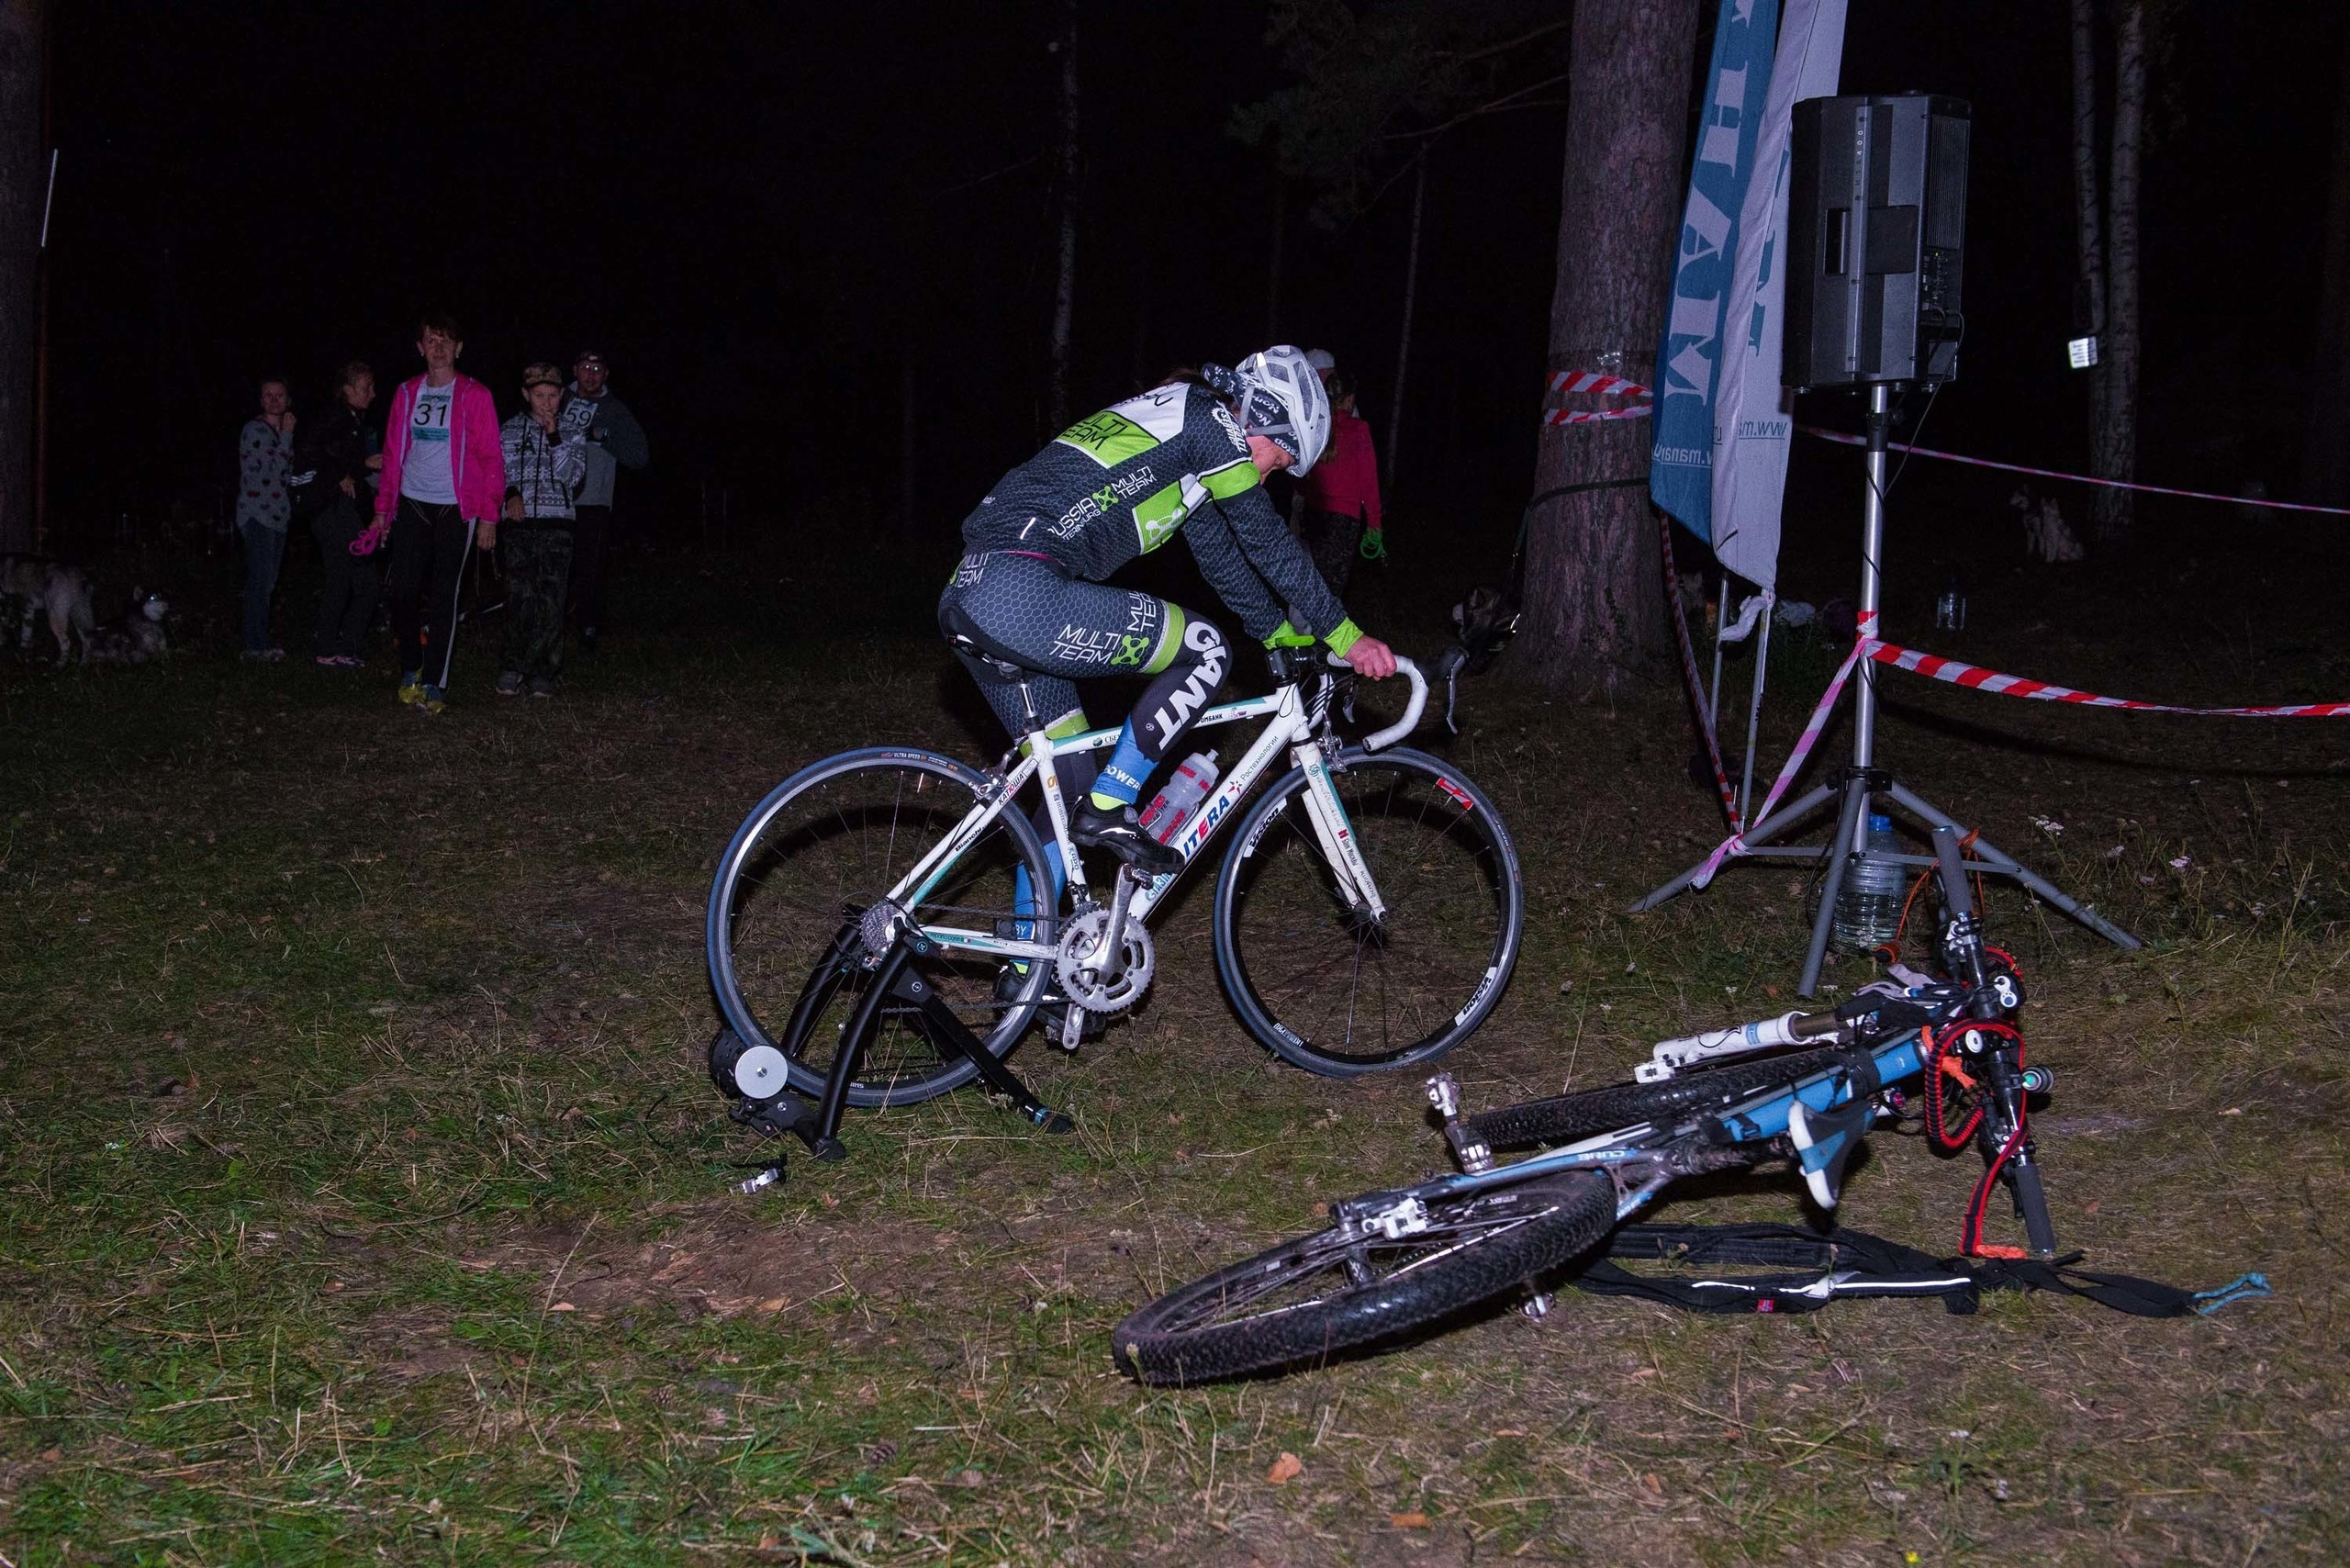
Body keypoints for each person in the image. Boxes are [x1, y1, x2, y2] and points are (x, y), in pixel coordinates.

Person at [937, 345, 1396, 879]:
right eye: (1280, 462)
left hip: (973, 592)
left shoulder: (1183, 438)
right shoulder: (1209, 422)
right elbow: (1267, 542)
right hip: (1021, 592)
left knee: (1066, 800)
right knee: (1205, 650)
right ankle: (1111, 809)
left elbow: (1223, 560)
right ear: (1266, 420)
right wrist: (1344, 634)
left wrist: (1278, 634)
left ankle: (1026, 961)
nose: (1269, 479)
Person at [363, 313, 505, 714]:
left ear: (458, 349)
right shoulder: (407, 393)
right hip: (412, 501)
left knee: (445, 595)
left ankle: (434, 682)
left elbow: (491, 457)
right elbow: (393, 455)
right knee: (402, 592)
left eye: (446, 340)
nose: (438, 346)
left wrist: (489, 515)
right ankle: (411, 666)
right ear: (420, 347)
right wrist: (382, 511)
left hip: (457, 508)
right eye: (430, 339)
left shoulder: (477, 395)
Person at [495, 364, 590, 697]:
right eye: (539, 396)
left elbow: (572, 477)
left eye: (552, 396)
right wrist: (510, 496)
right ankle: (512, 666)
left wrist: (554, 435)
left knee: (551, 600)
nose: (547, 402)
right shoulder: (508, 431)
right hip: (519, 527)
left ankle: (543, 672)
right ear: (526, 395)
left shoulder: (574, 432)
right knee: (519, 597)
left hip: (558, 526)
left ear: (562, 395)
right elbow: (498, 474)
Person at [294, 361, 385, 666]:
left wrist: (363, 466)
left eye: (372, 387)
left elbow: (344, 460)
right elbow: (305, 446)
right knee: (364, 581)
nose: (372, 394)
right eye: (366, 388)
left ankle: (332, 648)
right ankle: (342, 647)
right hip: (328, 508)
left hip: (335, 508)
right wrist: (338, 474)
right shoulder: (335, 415)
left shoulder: (354, 420)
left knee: (341, 579)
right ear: (348, 390)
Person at [563, 350, 649, 653]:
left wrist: (604, 437)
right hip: (555, 501)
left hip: (594, 500)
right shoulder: (556, 398)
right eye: (585, 366)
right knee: (555, 566)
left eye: (597, 368)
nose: (591, 373)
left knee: (591, 567)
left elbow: (640, 456)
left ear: (606, 374)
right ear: (575, 369)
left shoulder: (615, 409)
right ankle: (549, 626)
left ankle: (588, 630)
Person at [1298, 369, 1382, 594]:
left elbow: (1300, 471)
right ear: (1350, 399)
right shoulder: (1359, 429)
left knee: (1308, 583)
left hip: (1313, 515)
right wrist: (1374, 524)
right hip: (1343, 521)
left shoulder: (1315, 426)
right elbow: (1369, 479)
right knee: (1330, 591)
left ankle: (1300, 627)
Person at [235, 379, 297, 660]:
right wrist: (286, 435)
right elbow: (272, 471)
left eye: (279, 395)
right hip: (258, 514)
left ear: (288, 400)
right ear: (261, 401)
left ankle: (262, 642)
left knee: (268, 583)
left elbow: (289, 476)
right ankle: (254, 645)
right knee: (259, 582)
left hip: (278, 517)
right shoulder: (255, 430)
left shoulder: (281, 433)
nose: (274, 400)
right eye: (268, 396)